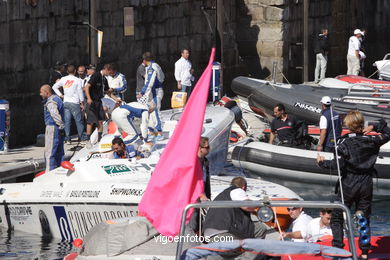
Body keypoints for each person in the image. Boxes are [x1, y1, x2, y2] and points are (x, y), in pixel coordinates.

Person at [317, 110, 390, 260]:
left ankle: (338, 248)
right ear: (362, 123)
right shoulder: (372, 140)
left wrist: (321, 163)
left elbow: (338, 165)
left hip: (349, 182)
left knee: (337, 217)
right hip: (366, 182)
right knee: (363, 217)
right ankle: (364, 252)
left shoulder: (343, 142)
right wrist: (376, 126)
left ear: (348, 125)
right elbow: (388, 132)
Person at [203, 176, 269, 241]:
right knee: (260, 228)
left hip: (209, 234)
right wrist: (261, 202)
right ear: (244, 187)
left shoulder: (223, 195)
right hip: (224, 233)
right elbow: (247, 206)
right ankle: (252, 250)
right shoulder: (237, 190)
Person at [85, 64, 120, 143]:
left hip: (99, 101)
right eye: (110, 72)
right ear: (107, 69)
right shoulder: (96, 75)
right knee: (90, 121)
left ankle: (99, 139)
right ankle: (88, 140)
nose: (110, 74)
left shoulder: (104, 79)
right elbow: (87, 87)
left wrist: (116, 99)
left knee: (100, 120)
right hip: (92, 101)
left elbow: (108, 92)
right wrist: (89, 98)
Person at [52, 65, 85, 143]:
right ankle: (81, 137)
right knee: (78, 120)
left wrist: (60, 95)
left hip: (66, 101)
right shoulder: (77, 80)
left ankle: (68, 138)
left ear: (67, 71)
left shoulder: (63, 79)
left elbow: (54, 87)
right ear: (75, 71)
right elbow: (80, 91)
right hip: (75, 102)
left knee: (67, 120)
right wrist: (82, 102)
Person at [139, 52, 165, 140]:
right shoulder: (156, 65)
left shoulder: (151, 68)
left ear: (145, 60)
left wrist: (142, 92)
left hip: (155, 91)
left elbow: (149, 82)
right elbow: (162, 77)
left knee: (156, 111)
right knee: (150, 111)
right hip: (154, 91)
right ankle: (152, 131)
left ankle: (160, 132)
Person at [39, 84, 65, 172]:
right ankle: (59, 170)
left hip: (53, 127)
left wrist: (60, 125)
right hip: (58, 128)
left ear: (47, 92)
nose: (40, 94)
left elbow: (55, 114)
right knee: (59, 151)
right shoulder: (57, 99)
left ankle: (49, 172)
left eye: (41, 92)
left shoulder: (51, 101)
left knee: (50, 152)